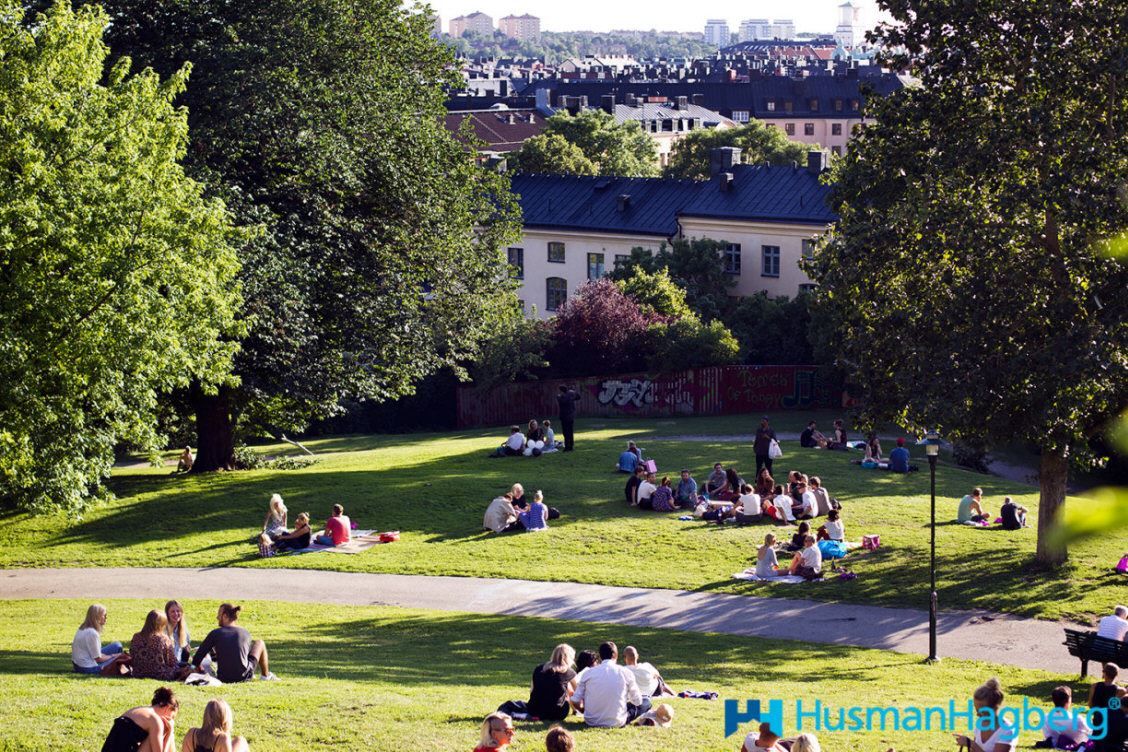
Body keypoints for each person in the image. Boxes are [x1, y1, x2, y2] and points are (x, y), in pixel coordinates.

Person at [570, 642, 650, 727]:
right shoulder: (626, 672)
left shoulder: (588, 673)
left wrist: (582, 710)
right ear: (616, 655)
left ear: (600, 656)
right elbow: (638, 701)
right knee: (646, 701)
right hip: (617, 721)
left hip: (591, 720)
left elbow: (575, 700)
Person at [191, 603, 276, 683]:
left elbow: (198, 656)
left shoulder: (215, 633)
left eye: (219, 615)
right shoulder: (245, 633)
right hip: (244, 677)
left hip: (223, 678)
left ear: (225, 616)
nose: (217, 617)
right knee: (260, 643)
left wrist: (192, 668)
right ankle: (265, 676)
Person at [498, 644, 577, 722]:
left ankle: (525, 715)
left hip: (535, 709)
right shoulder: (569, 673)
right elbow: (577, 692)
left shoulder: (539, 669)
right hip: (557, 713)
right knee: (567, 689)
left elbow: (532, 690)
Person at [101, 687, 179, 752]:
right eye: (172, 717)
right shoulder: (155, 720)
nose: (170, 720)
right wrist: (169, 732)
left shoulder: (137, 710)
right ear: (167, 708)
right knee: (165, 731)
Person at [954, 678, 1018, 752]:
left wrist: (971, 744)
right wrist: (969, 745)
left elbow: (975, 747)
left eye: (982, 712)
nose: (978, 715)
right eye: (976, 710)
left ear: (994, 708)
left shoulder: (1007, 730)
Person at [131, 610, 188, 682]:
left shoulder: (136, 636)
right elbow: (172, 661)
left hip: (138, 673)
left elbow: (132, 655)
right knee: (185, 667)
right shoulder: (163, 638)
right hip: (159, 674)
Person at [73, 603, 128, 675]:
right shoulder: (92, 633)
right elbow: (98, 659)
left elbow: (95, 653)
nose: (106, 617)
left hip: (79, 664)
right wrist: (114, 656)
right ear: (97, 616)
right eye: (104, 615)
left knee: (117, 645)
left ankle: (118, 667)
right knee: (120, 658)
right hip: (88, 668)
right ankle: (119, 668)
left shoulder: (83, 628)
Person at [181, 699, 250, 752]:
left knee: (239, 740)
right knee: (241, 741)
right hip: (219, 741)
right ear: (224, 718)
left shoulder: (191, 733)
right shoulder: (222, 738)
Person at [557, 385, 580, 452]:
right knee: (570, 431)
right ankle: (571, 446)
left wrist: (558, 397)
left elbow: (562, 402)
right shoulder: (571, 395)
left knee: (565, 432)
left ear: (561, 391)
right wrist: (574, 391)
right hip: (571, 416)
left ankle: (567, 447)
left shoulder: (561, 397)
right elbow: (578, 397)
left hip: (564, 417)